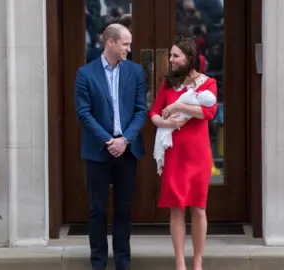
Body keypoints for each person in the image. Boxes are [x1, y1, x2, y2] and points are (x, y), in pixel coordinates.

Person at [74, 23, 147, 270]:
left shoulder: (135, 72)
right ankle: (98, 263)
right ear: (111, 43)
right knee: (97, 210)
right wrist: (109, 141)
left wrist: (124, 140)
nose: (129, 48)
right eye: (126, 44)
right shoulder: (86, 73)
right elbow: (84, 113)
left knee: (124, 210)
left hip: (127, 151)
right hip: (98, 151)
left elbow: (141, 110)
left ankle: (123, 264)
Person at [149, 37, 217, 270]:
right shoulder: (167, 84)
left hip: (198, 154)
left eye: (176, 55)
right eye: (170, 55)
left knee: (198, 208)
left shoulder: (208, 83)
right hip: (174, 154)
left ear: (189, 57)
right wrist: (166, 124)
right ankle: (180, 263)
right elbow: (154, 113)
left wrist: (178, 106)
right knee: (176, 207)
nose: (171, 60)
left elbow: (207, 113)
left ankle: (197, 262)